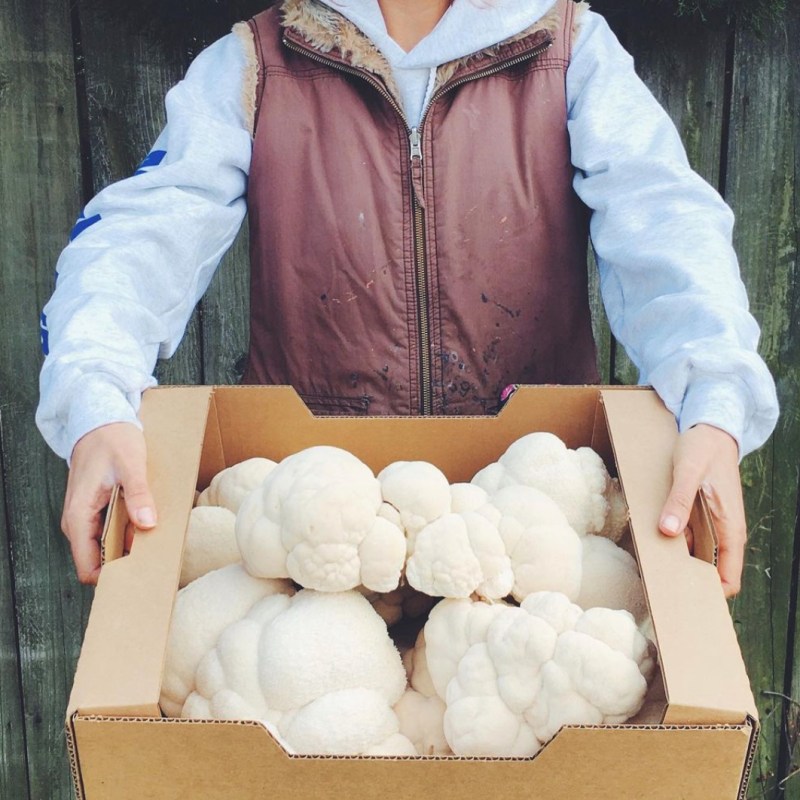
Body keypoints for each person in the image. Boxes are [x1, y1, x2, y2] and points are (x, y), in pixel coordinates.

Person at [36, 0, 779, 595]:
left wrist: (715, 398)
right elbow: (142, 235)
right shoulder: (254, 62)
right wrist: (95, 396)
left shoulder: (572, 51)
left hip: (534, 512)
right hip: (311, 520)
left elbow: (664, 223)